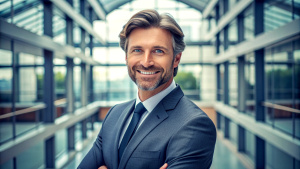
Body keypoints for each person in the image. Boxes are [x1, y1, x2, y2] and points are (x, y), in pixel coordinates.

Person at [78, 9, 216, 169]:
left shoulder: (194, 125)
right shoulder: (114, 114)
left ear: (176, 58)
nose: (146, 62)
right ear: (126, 57)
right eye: (137, 50)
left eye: (158, 51)